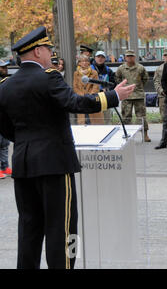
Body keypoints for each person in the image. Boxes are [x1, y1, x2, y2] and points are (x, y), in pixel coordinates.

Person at [0, 26, 135, 269]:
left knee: (29, 228)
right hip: (54, 163)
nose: (51, 54)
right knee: (61, 229)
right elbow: (75, 103)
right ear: (38, 51)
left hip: (23, 163)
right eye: (49, 50)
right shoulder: (49, 77)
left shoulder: (6, 85)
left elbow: (5, 127)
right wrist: (112, 96)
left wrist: (25, 142)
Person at [115, 49, 151, 142]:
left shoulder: (140, 68)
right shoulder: (121, 68)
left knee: (141, 116)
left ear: (134, 57)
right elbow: (117, 78)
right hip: (126, 96)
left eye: (131, 56)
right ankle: (126, 135)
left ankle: (145, 134)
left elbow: (145, 78)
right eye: (128, 56)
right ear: (125, 57)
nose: (130, 58)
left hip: (138, 95)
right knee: (126, 116)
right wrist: (124, 87)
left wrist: (139, 86)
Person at [73, 55, 105, 125]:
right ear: (79, 63)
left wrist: (90, 95)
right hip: (81, 98)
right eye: (82, 61)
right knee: (83, 120)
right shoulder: (76, 74)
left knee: (95, 121)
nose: (84, 63)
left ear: (89, 63)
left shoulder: (94, 72)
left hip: (92, 98)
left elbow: (96, 86)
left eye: (86, 61)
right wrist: (82, 95)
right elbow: (75, 87)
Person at [154, 48, 167, 138]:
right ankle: (166, 136)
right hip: (163, 96)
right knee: (164, 116)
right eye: (165, 55)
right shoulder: (159, 69)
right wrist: (161, 91)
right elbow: (156, 81)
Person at [0, 60, 12, 179]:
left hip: (4, 117)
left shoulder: (6, 82)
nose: (5, 69)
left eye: (5, 67)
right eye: (2, 68)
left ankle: (5, 166)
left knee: (4, 144)